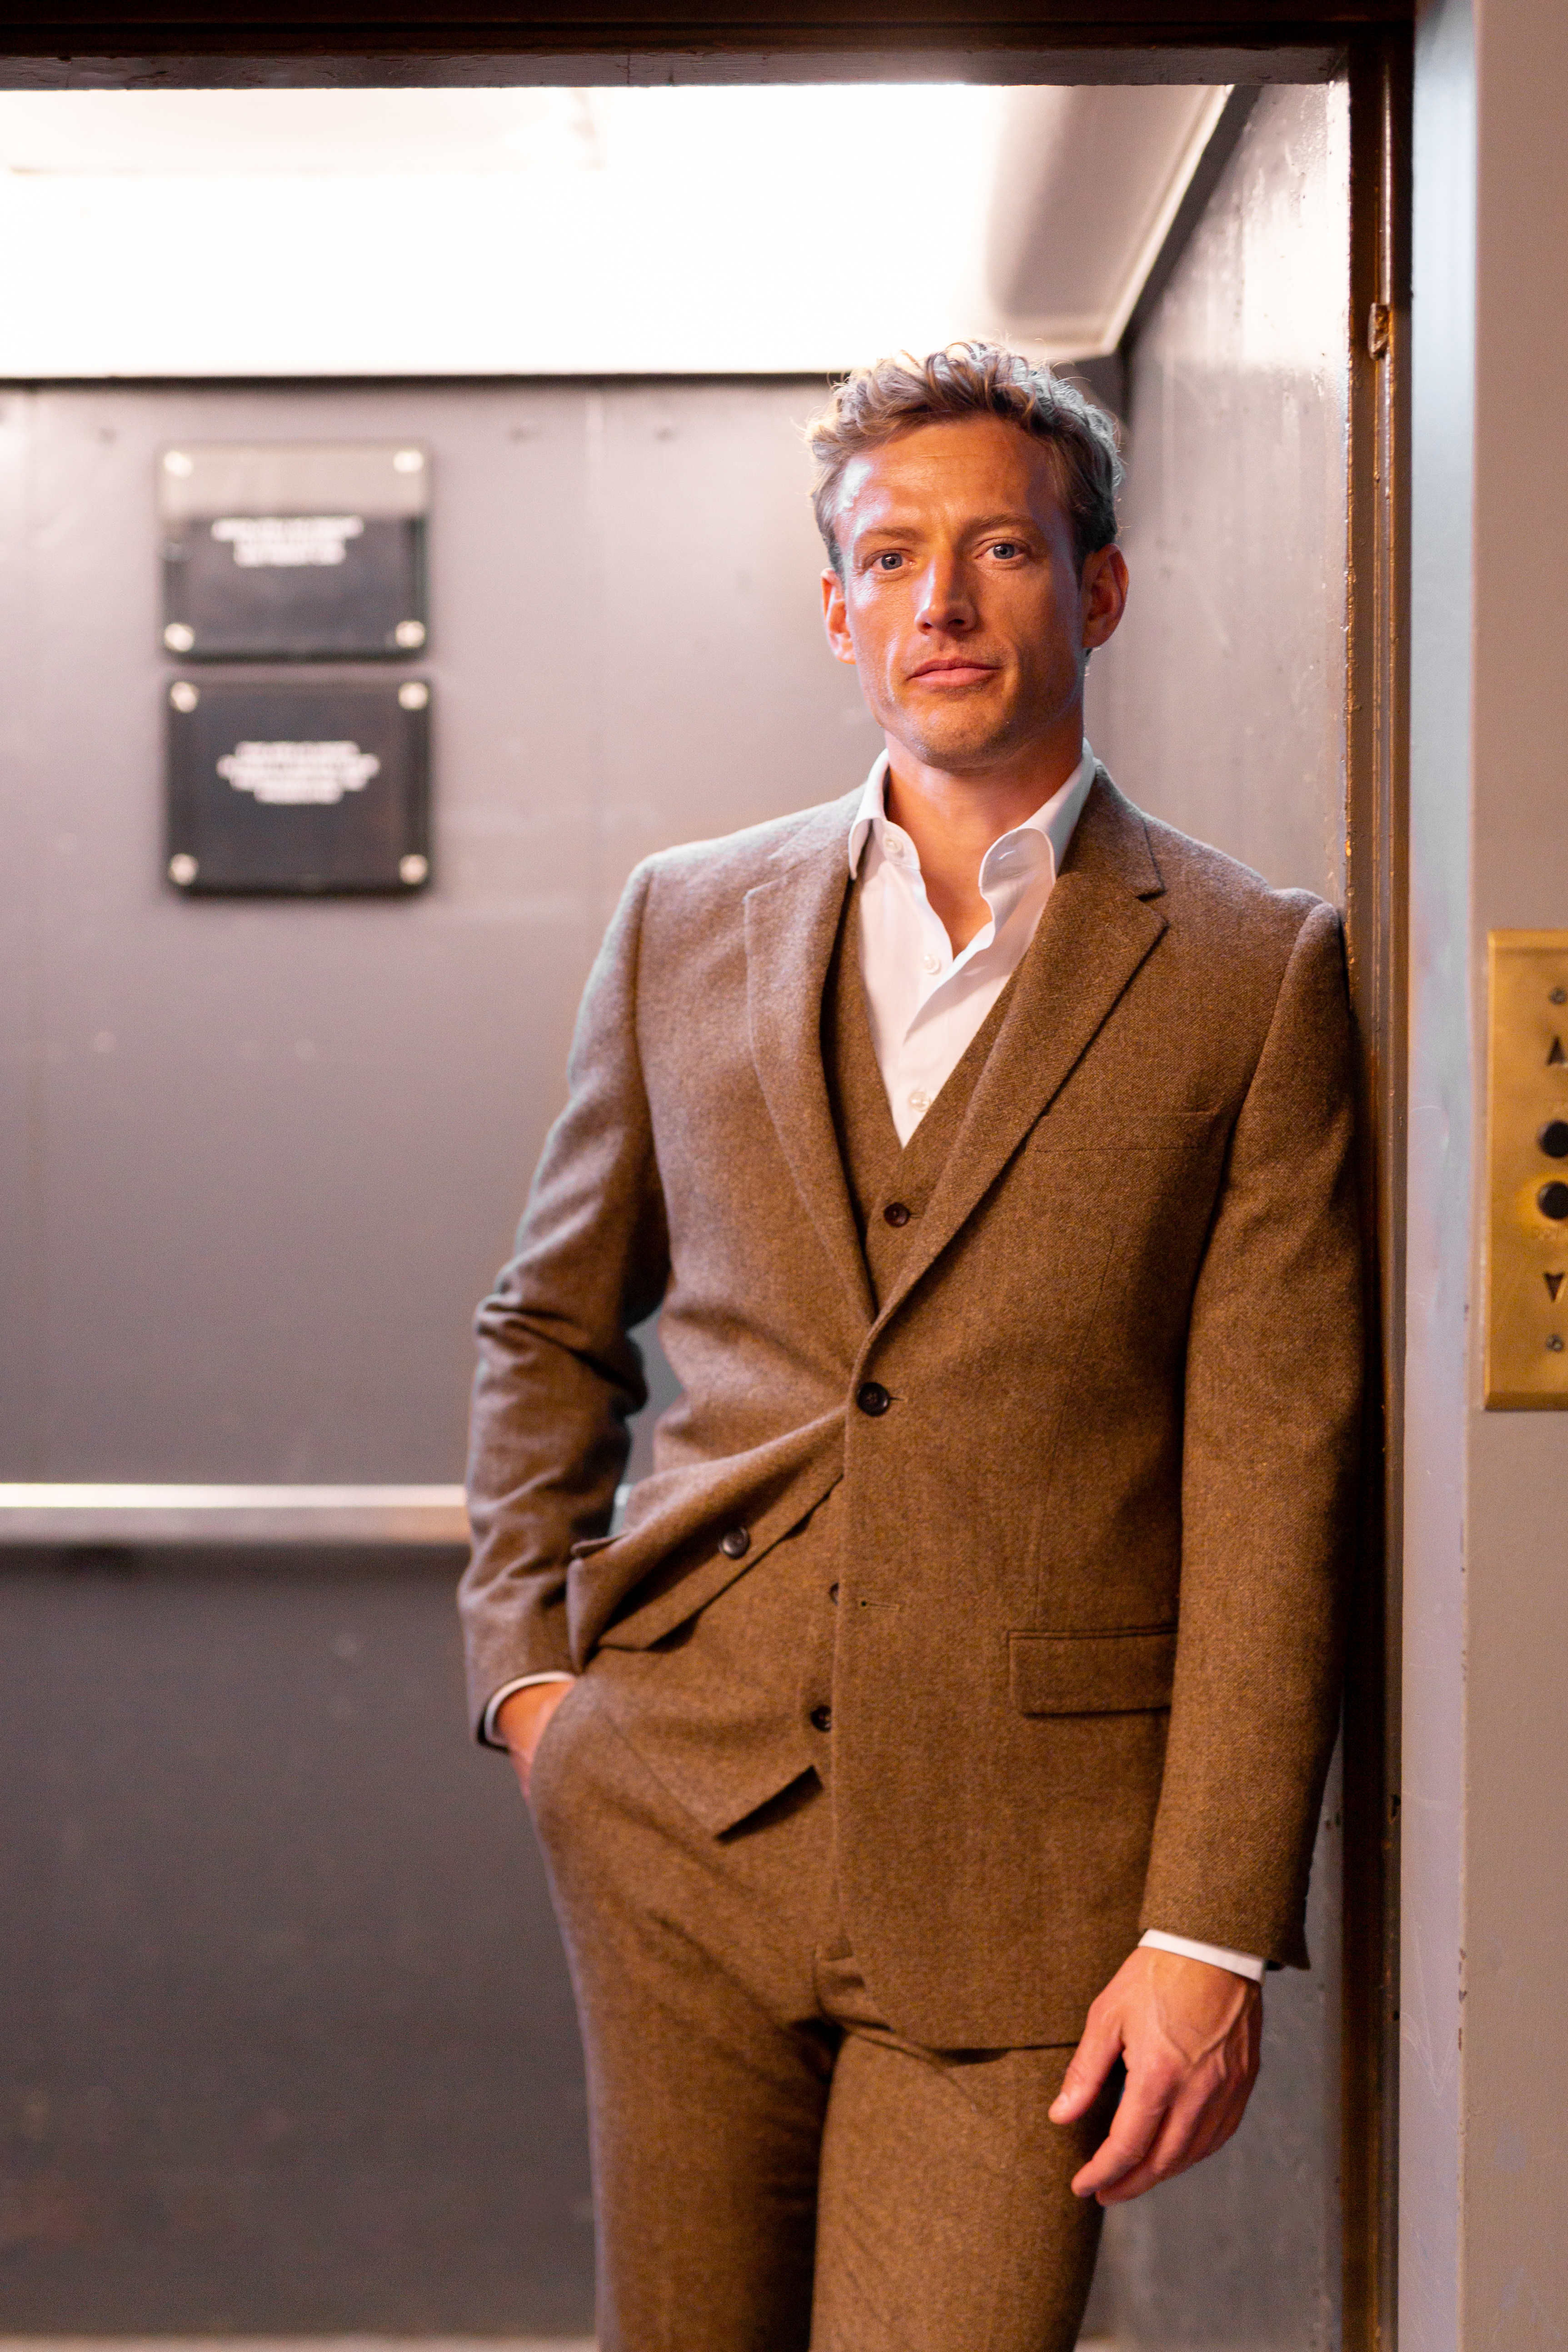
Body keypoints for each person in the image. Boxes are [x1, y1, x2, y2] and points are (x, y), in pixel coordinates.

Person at [460, 341, 1361, 2352]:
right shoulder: (682, 918)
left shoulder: (1248, 971)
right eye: (889, 556)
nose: (939, 603)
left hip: (1032, 1872)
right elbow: (551, 1315)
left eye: (998, 551)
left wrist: (1202, 1926)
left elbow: (1271, 1475)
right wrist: (531, 1678)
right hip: (676, 1819)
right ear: (836, 605)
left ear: (1095, 585)